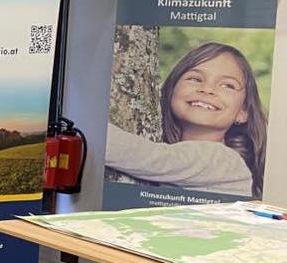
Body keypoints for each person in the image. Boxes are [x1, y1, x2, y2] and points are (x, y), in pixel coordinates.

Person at [105, 41, 267, 198]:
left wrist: (91, 129)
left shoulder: (226, 161)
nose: (207, 89)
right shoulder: (168, 149)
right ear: (171, 89)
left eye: (227, 85)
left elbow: (146, 156)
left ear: (243, 112)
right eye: (195, 79)